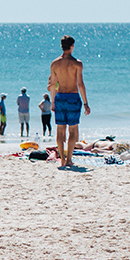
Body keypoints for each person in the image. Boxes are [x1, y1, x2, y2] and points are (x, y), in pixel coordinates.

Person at [47, 36, 88, 167]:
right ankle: (69, 159)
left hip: (60, 97)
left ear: (61, 46)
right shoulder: (77, 63)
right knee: (72, 130)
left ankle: (62, 159)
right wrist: (86, 103)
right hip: (73, 97)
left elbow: (53, 85)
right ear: (72, 46)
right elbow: (80, 84)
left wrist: (53, 101)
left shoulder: (54, 64)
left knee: (60, 130)